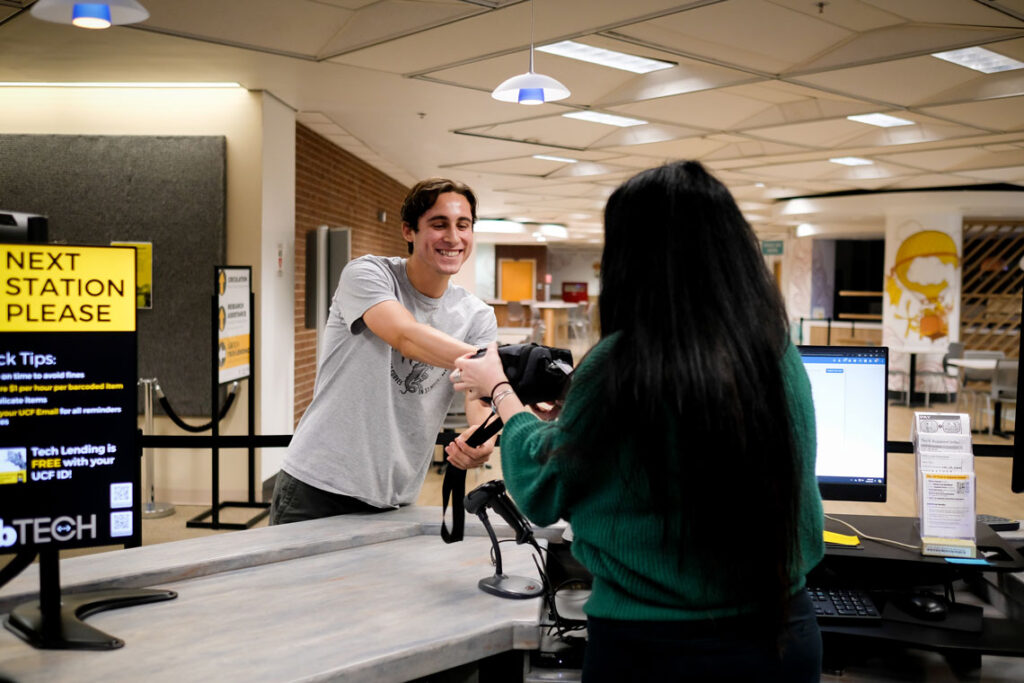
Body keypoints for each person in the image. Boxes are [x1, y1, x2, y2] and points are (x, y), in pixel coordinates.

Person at [450, 161, 825, 682]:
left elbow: (541, 485)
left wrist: (499, 389)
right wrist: (580, 414)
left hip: (655, 647)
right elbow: (684, 440)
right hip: (785, 634)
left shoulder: (623, 360)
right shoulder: (778, 354)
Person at [271, 178, 498, 525]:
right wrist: (497, 364)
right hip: (318, 485)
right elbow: (405, 335)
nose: (453, 237)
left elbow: (479, 397)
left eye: (463, 225)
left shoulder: (477, 316)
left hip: (397, 494)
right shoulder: (368, 274)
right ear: (409, 231)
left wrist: (482, 436)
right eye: (439, 224)